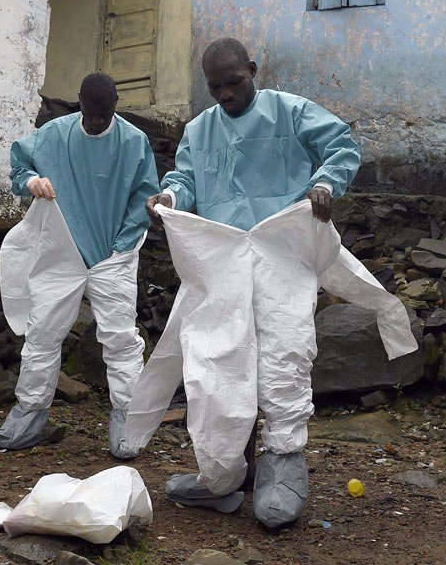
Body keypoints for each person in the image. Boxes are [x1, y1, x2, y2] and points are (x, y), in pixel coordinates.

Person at [143, 37, 360, 528]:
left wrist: (325, 183)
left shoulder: (290, 111)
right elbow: (186, 179)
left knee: (284, 352)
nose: (225, 95)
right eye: (215, 88)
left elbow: (341, 145)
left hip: (283, 255)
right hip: (223, 262)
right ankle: (223, 474)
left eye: (234, 83)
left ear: (253, 71)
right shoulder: (200, 130)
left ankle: (283, 466)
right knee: (218, 361)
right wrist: (171, 199)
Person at [0, 72, 159, 454]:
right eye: (90, 114)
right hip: (61, 248)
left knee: (119, 338)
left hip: (113, 255)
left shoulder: (134, 142)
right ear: (79, 104)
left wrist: (121, 246)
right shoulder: (54, 134)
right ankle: (30, 411)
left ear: (115, 107)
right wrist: (31, 180)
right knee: (42, 332)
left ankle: (127, 419)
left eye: (104, 115)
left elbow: (144, 197)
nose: (97, 122)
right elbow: (21, 166)